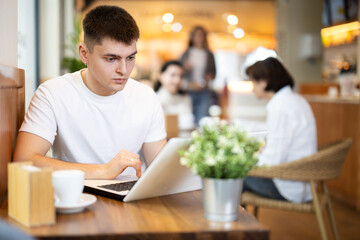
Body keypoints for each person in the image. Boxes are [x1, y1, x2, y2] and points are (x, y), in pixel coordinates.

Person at [13, 6, 167, 179]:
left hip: (131, 198)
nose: (124, 70)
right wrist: (103, 171)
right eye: (111, 59)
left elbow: (161, 169)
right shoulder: (53, 93)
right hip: (77, 197)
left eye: (130, 57)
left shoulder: (146, 97)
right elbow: (23, 161)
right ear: (84, 54)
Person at [243, 57, 317, 203]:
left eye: (253, 82)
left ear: (263, 81)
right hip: (305, 184)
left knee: (230, 174)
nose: (252, 88)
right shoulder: (295, 100)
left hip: (290, 187)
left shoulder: (280, 107)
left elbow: (272, 161)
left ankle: (230, 223)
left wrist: (243, 158)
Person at [180, 26, 217, 125]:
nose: (199, 37)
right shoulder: (186, 53)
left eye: (201, 35)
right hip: (188, 91)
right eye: (196, 35)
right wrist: (185, 68)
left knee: (203, 120)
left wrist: (209, 77)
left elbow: (214, 73)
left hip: (204, 91)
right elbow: (179, 72)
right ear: (192, 37)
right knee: (188, 120)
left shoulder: (209, 55)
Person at [154, 60, 195, 132]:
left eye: (180, 76)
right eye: (173, 75)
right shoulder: (154, 99)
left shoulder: (185, 98)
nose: (177, 80)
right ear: (160, 76)